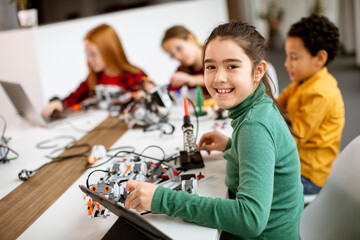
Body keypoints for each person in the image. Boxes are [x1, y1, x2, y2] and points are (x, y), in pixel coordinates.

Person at [124, 21, 303, 239]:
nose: (218, 77)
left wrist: (163, 199)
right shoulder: (257, 110)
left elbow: (250, 219)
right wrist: (231, 146)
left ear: (258, 71)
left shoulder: (255, 126)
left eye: (232, 66)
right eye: (211, 67)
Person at [277, 14, 345, 200]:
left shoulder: (320, 94)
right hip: (298, 163)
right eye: (287, 56)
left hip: (309, 175)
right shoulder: (303, 81)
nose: (286, 63)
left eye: (294, 57)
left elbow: (292, 139)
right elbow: (276, 103)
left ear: (320, 58)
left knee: (254, 185)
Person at [42, 23, 152, 117]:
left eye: (93, 54)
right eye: (87, 54)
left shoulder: (136, 76)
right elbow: (72, 99)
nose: (89, 60)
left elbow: (150, 93)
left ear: (109, 51)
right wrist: (58, 103)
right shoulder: (93, 79)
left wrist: (147, 93)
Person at [161, 25, 209, 97]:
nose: (177, 57)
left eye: (178, 48)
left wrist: (193, 80)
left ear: (191, 39)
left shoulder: (216, 58)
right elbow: (170, 91)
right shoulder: (182, 69)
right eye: (172, 55)